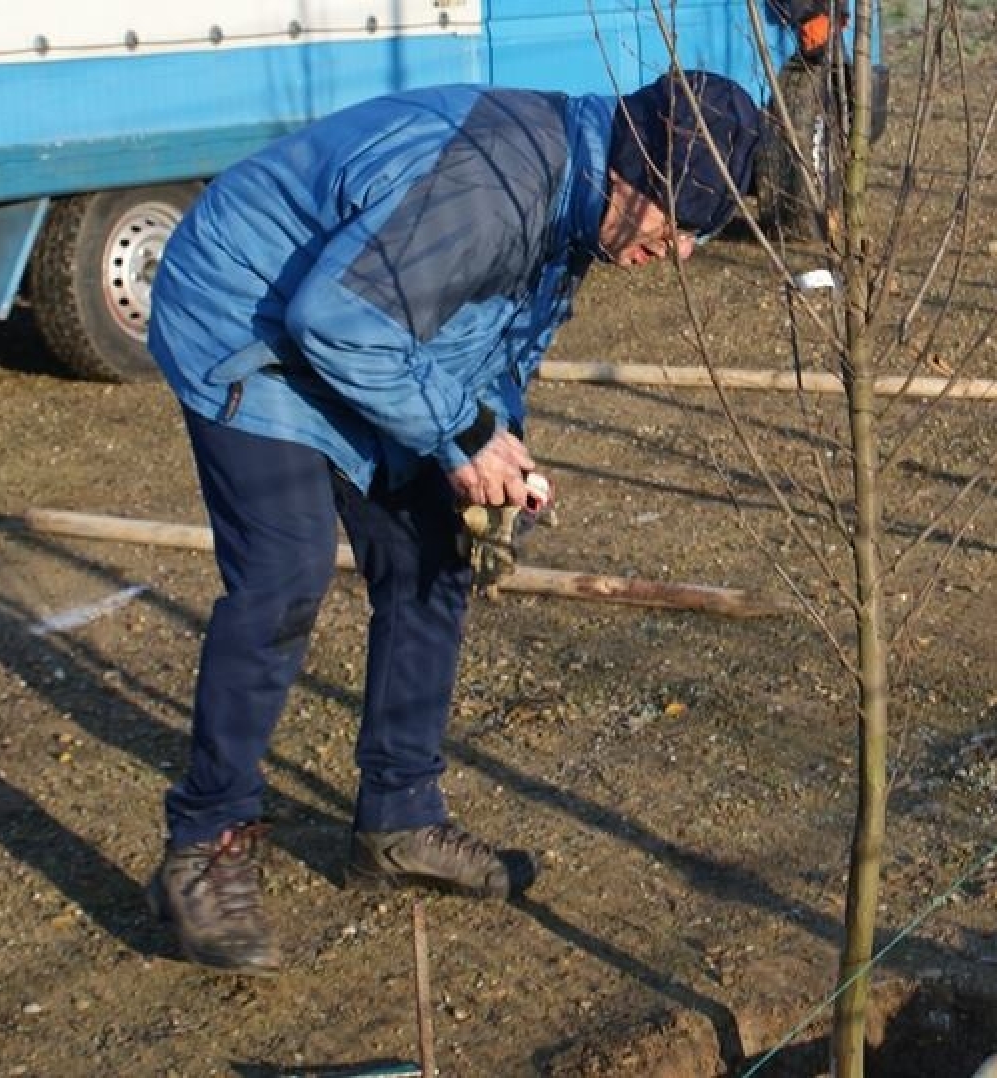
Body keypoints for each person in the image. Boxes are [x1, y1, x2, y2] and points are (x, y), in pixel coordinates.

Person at [142, 70, 762, 974]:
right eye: (680, 222)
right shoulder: (498, 180)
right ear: (633, 179)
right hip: (248, 320)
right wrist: (460, 432)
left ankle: (398, 822)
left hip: (360, 339)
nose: (682, 252)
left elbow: (492, 341)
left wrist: (499, 454)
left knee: (433, 553)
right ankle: (204, 846)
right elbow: (335, 320)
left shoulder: (573, 203)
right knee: (285, 573)